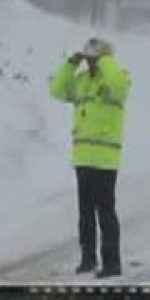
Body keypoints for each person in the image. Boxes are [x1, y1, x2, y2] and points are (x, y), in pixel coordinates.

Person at [48, 37, 131, 278]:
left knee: (105, 212)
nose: (91, 63)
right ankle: (87, 259)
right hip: (83, 157)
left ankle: (112, 263)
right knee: (85, 213)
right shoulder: (81, 81)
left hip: (105, 159)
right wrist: (71, 64)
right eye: (89, 58)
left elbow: (117, 84)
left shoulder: (118, 79)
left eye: (95, 58)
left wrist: (105, 59)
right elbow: (57, 90)